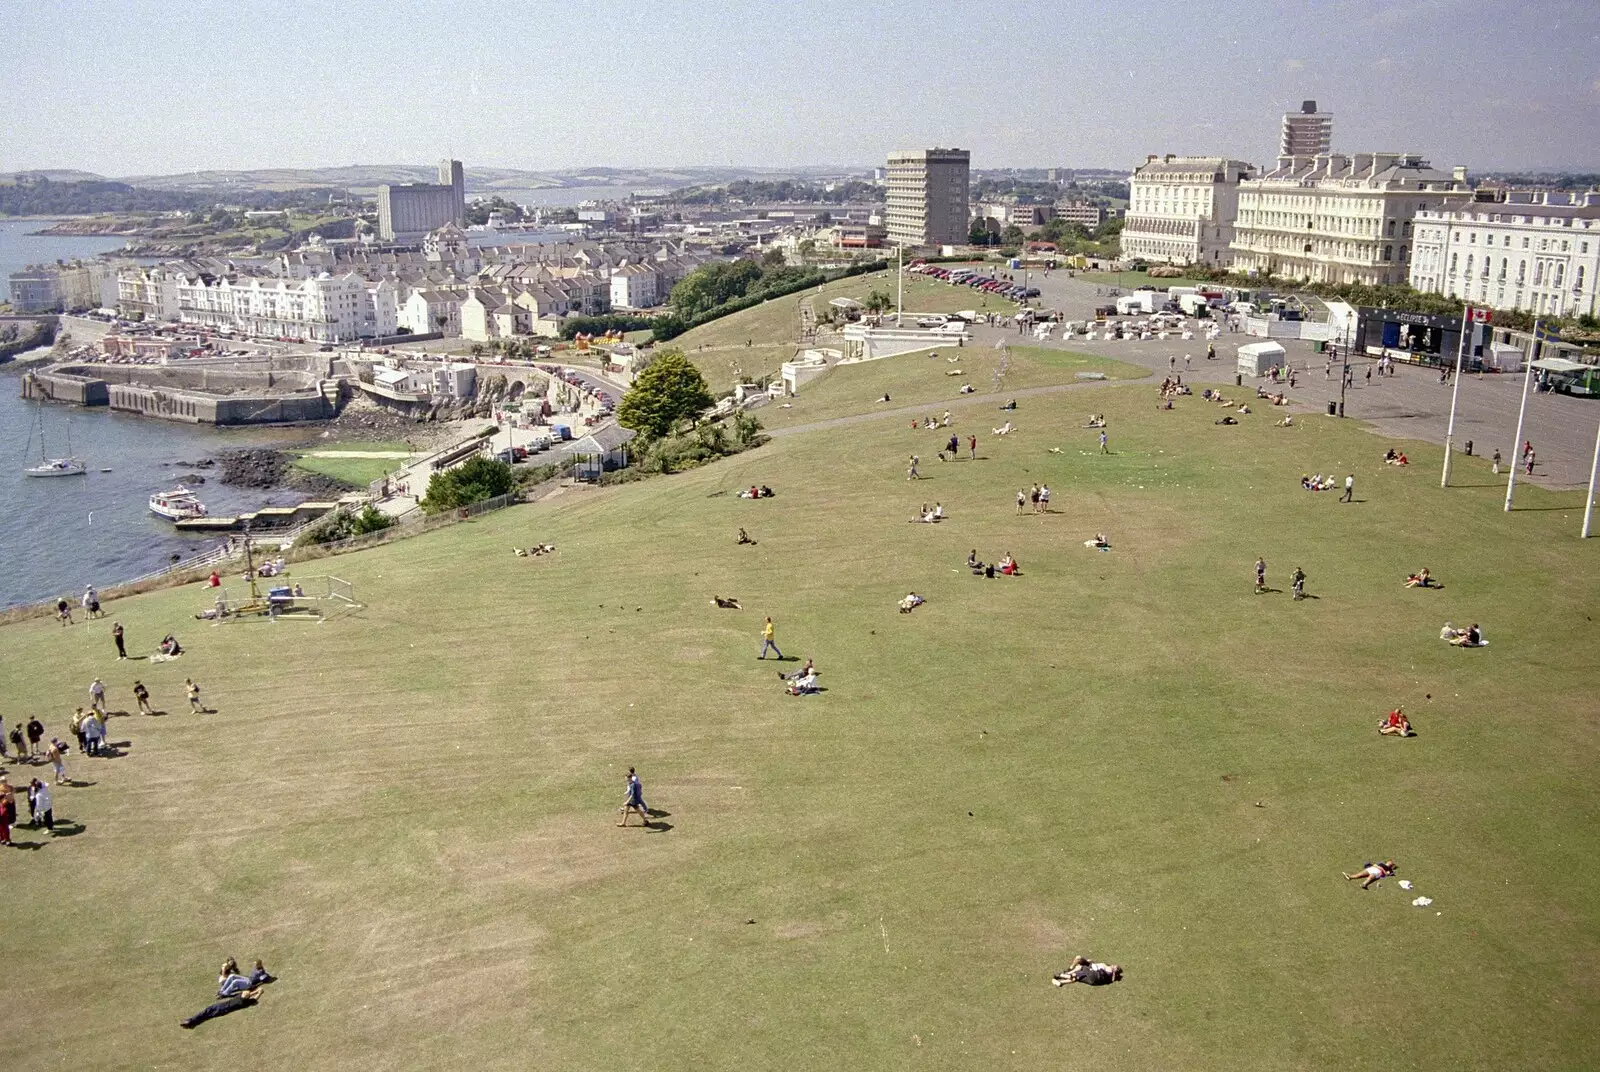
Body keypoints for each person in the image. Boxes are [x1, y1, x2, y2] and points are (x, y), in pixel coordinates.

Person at [1052, 956, 1123, 986]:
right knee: (1078, 960)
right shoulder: (1108, 973)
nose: (1113, 965)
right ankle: (1061, 981)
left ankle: (1064, 974)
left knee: (1079, 969)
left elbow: (1112, 978)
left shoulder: (1109, 970)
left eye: (1115, 966)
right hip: (1092, 971)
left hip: (1092, 972)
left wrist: (1114, 972)